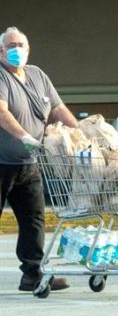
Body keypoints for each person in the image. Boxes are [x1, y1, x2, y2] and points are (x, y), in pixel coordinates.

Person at [0, 26, 79, 292]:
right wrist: (23, 136)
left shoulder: (38, 76)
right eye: (11, 46)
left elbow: (57, 109)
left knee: (34, 220)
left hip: (29, 164)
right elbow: (1, 111)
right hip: (2, 162)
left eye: (20, 45)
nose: (16, 50)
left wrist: (79, 134)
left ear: (29, 49)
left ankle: (32, 274)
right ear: (1, 51)